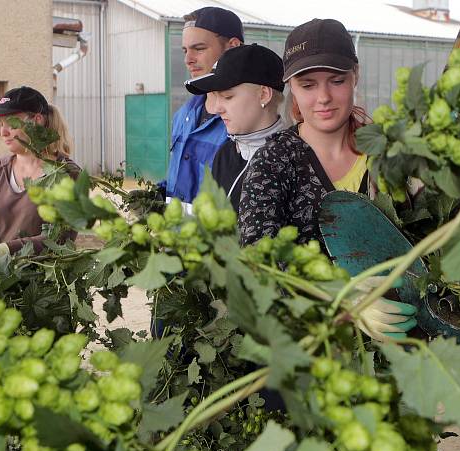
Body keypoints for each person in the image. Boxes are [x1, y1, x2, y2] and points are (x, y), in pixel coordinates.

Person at [237, 19, 415, 342]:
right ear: (291, 86)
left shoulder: (388, 157)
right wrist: (340, 295)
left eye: (336, 80)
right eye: (308, 85)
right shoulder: (273, 164)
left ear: (355, 76)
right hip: (312, 358)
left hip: (398, 351)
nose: (324, 97)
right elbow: (259, 260)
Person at [184, 44, 290, 211]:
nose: (218, 108)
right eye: (215, 96)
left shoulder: (295, 158)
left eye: (227, 96)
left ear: (263, 94)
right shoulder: (225, 154)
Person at [0, 86, 79, 253]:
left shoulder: (68, 173)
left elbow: (59, 238)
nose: (3, 132)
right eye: (1, 124)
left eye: (11, 123)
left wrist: (1, 251)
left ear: (37, 120)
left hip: (47, 276)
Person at [162, 6, 244, 205]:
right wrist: (158, 195)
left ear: (233, 46)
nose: (188, 60)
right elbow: (180, 178)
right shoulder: (184, 115)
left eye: (199, 49)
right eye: (185, 50)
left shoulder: (248, 121)